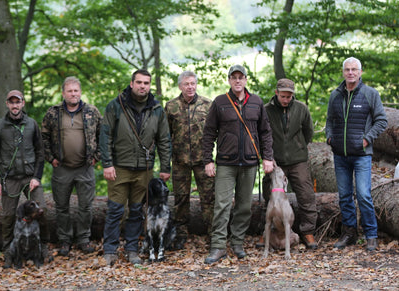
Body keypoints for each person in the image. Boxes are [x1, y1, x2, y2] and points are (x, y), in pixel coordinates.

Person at [99, 69, 172, 265]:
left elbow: (164, 140)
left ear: (150, 86)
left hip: (145, 169)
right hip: (119, 168)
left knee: (137, 210)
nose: (142, 86)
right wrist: (107, 164)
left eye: (146, 83)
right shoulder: (116, 105)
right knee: (115, 210)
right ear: (131, 84)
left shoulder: (156, 109)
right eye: (139, 82)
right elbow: (105, 135)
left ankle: (132, 249)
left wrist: (165, 167)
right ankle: (110, 251)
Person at [202, 65, 274, 263]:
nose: (237, 81)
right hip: (226, 162)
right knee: (222, 205)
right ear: (229, 80)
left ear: (246, 80)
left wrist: (267, 157)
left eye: (241, 77)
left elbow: (265, 133)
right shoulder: (220, 102)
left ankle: (237, 242)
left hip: (250, 163)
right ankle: (217, 246)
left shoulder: (257, 102)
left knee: (244, 206)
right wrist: (207, 160)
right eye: (233, 78)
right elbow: (209, 133)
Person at [326, 57, 387, 251]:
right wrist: (329, 138)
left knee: (363, 194)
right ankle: (349, 234)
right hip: (340, 155)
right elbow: (329, 121)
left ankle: (371, 235)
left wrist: (367, 139)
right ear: (343, 72)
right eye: (347, 69)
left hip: (361, 155)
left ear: (360, 72)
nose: (350, 72)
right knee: (344, 196)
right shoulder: (335, 95)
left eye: (354, 69)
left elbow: (381, 121)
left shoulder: (370, 94)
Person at [0, 90, 50, 268]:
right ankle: (9, 252)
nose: (15, 105)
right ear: (7, 104)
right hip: (10, 177)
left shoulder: (31, 124)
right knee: (8, 216)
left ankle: (43, 246)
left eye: (18, 102)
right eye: (11, 102)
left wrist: (37, 177)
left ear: (23, 103)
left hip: (30, 176)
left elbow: (40, 152)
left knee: (42, 209)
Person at [41, 76, 102, 256]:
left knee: (86, 207)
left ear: (80, 92)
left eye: (76, 90)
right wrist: (50, 158)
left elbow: (104, 135)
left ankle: (83, 239)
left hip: (85, 167)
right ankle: (65, 241)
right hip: (62, 168)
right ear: (63, 93)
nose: (73, 94)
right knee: (62, 207)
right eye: (69, 91)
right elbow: (42, 137)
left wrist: (97, 157)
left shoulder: (92, 112)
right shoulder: (53, 113)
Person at [260, 78, 318, 249]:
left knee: (306, 194)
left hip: (297, 160)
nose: (286, 99)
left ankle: (307, 231)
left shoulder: (301, 108)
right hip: (275, 161)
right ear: (276, 93)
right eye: (283, 96)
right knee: (269, 196)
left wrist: (298, 148)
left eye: (289, 96)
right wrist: (267, 157)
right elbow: (262, 134)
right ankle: (269, 232)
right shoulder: (266, 110)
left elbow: (308, 132)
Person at [164, 71, 215, 249]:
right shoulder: (171, 107)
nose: (190, 87)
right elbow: (166, 136)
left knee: (209, 198)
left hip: (203, 160)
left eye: (193, 83)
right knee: (181, 199)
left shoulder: (207, 105)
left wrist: (212, 159)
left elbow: (213, 133)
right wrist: (165, 162)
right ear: (180, 86)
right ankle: (181, 234)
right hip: (180, 161)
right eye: (186, 84)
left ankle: (212, 233)